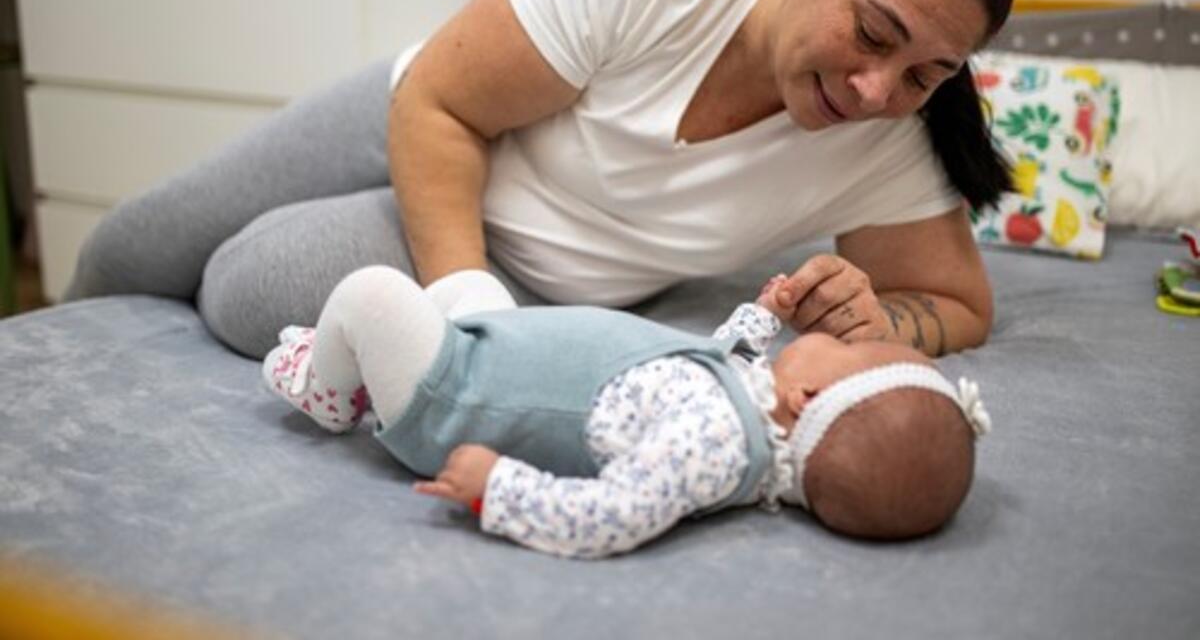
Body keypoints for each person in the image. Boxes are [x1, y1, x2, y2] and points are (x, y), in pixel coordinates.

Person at [66, 0, 1019, 359]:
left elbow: (958, 305)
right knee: (132, 245)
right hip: (434, 117)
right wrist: (467, 308)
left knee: (250, 286)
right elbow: (440, 102)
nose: (874, 92)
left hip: (531, 257)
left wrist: (878, 321)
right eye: (872, 33)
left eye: (925, 75)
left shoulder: (889, 140)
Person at [260, 265, 992, 558]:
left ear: (807, 400)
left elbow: (614, 514)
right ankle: (369, 363)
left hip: (458, 401)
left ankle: (326, 389)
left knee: (373, 294)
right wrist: (763, 314)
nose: (839, 338)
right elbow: (717, 358)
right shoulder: (745, 407)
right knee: (472, 285)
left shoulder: (714, 446)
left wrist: (499, 488)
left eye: (852, 351)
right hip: (499, 348)